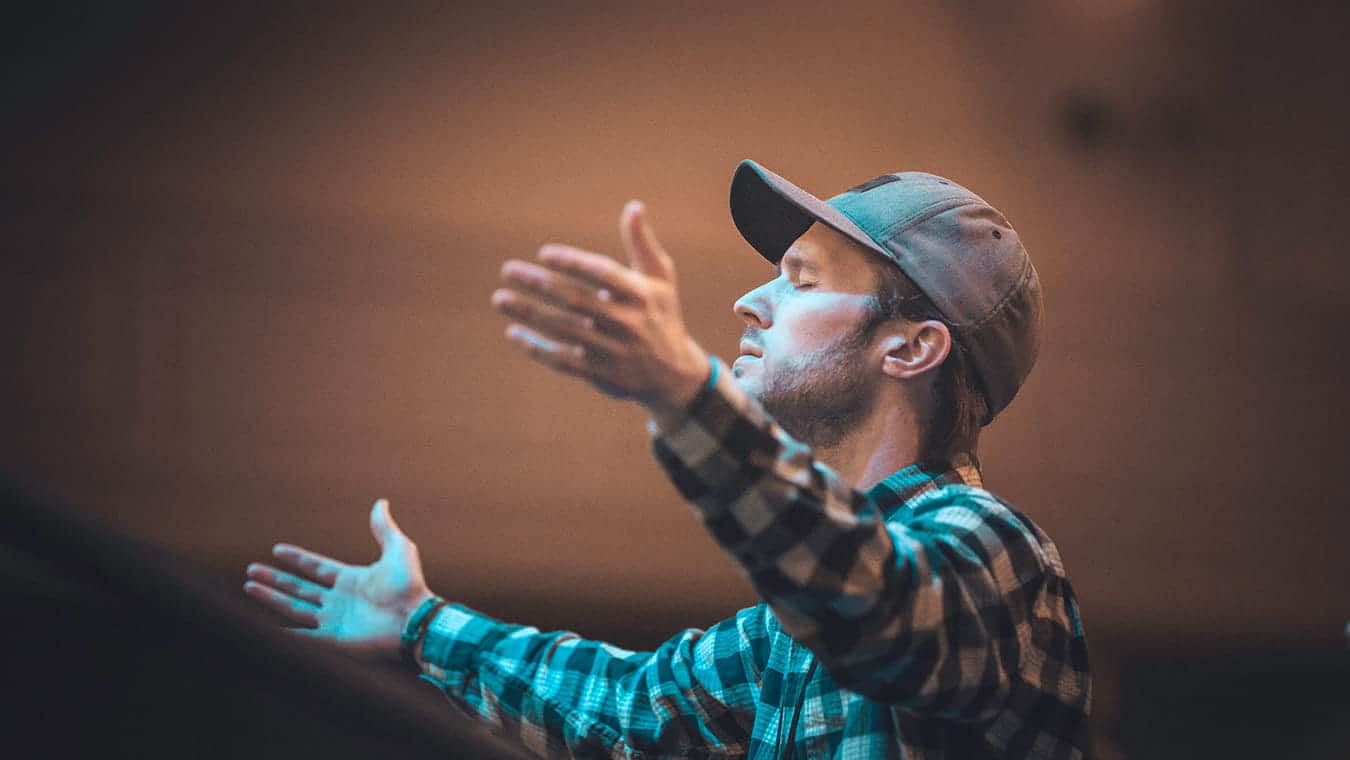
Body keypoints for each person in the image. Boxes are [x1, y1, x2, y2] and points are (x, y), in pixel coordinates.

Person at [243, 160, 1091, 758]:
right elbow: (626, 709)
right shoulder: (781, 634)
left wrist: (692, 397)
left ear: (911, 347)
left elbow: (879, 611)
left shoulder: (997, 550)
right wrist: (420, 623)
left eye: (799, 279)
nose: (749, 300)